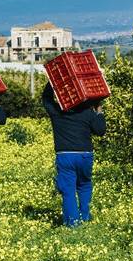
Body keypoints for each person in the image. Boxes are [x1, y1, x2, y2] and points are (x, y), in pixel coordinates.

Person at [42, 83, 106, 227]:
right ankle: (85, 216)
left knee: (68, 189)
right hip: (85, 155)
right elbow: (101, 131)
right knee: (84, 185)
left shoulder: (57, 112)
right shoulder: (87, 112)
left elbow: (46, 99)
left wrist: (52, 82)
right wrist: (99, 111)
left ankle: (73, 222)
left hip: (65, 156)